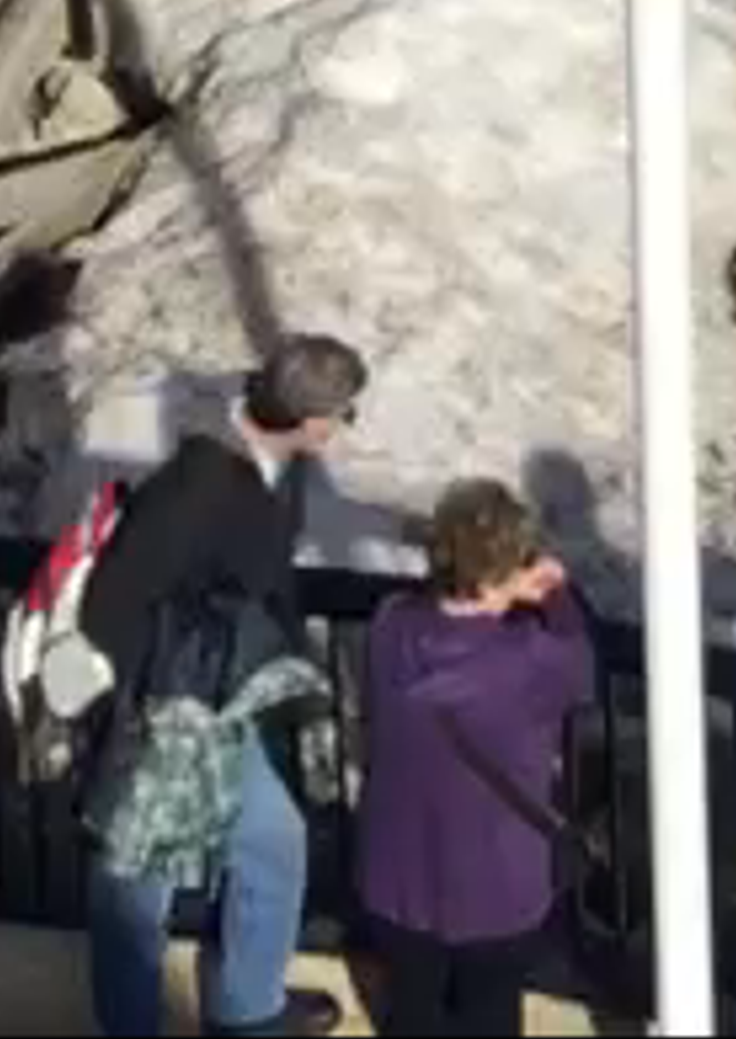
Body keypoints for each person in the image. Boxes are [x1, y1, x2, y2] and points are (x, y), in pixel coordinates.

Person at [74, 331, 363, 1039]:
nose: (346, 426)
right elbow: (109, 604)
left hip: (230, 703)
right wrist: (163, 705)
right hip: (173, 716)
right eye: (345, 413)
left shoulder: (262, 470)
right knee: (138, 884)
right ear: (312, 421)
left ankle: (249, 1006)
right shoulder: (198, 489)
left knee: (274, 842)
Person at [349, 477, 596, 1037]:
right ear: (501, 573)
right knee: (489, 1014)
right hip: (495, 888)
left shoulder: (390, 625)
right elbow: (579, 666)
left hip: (397, 876)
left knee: (411, 1011)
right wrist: (555, 597)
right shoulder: (529, 664)